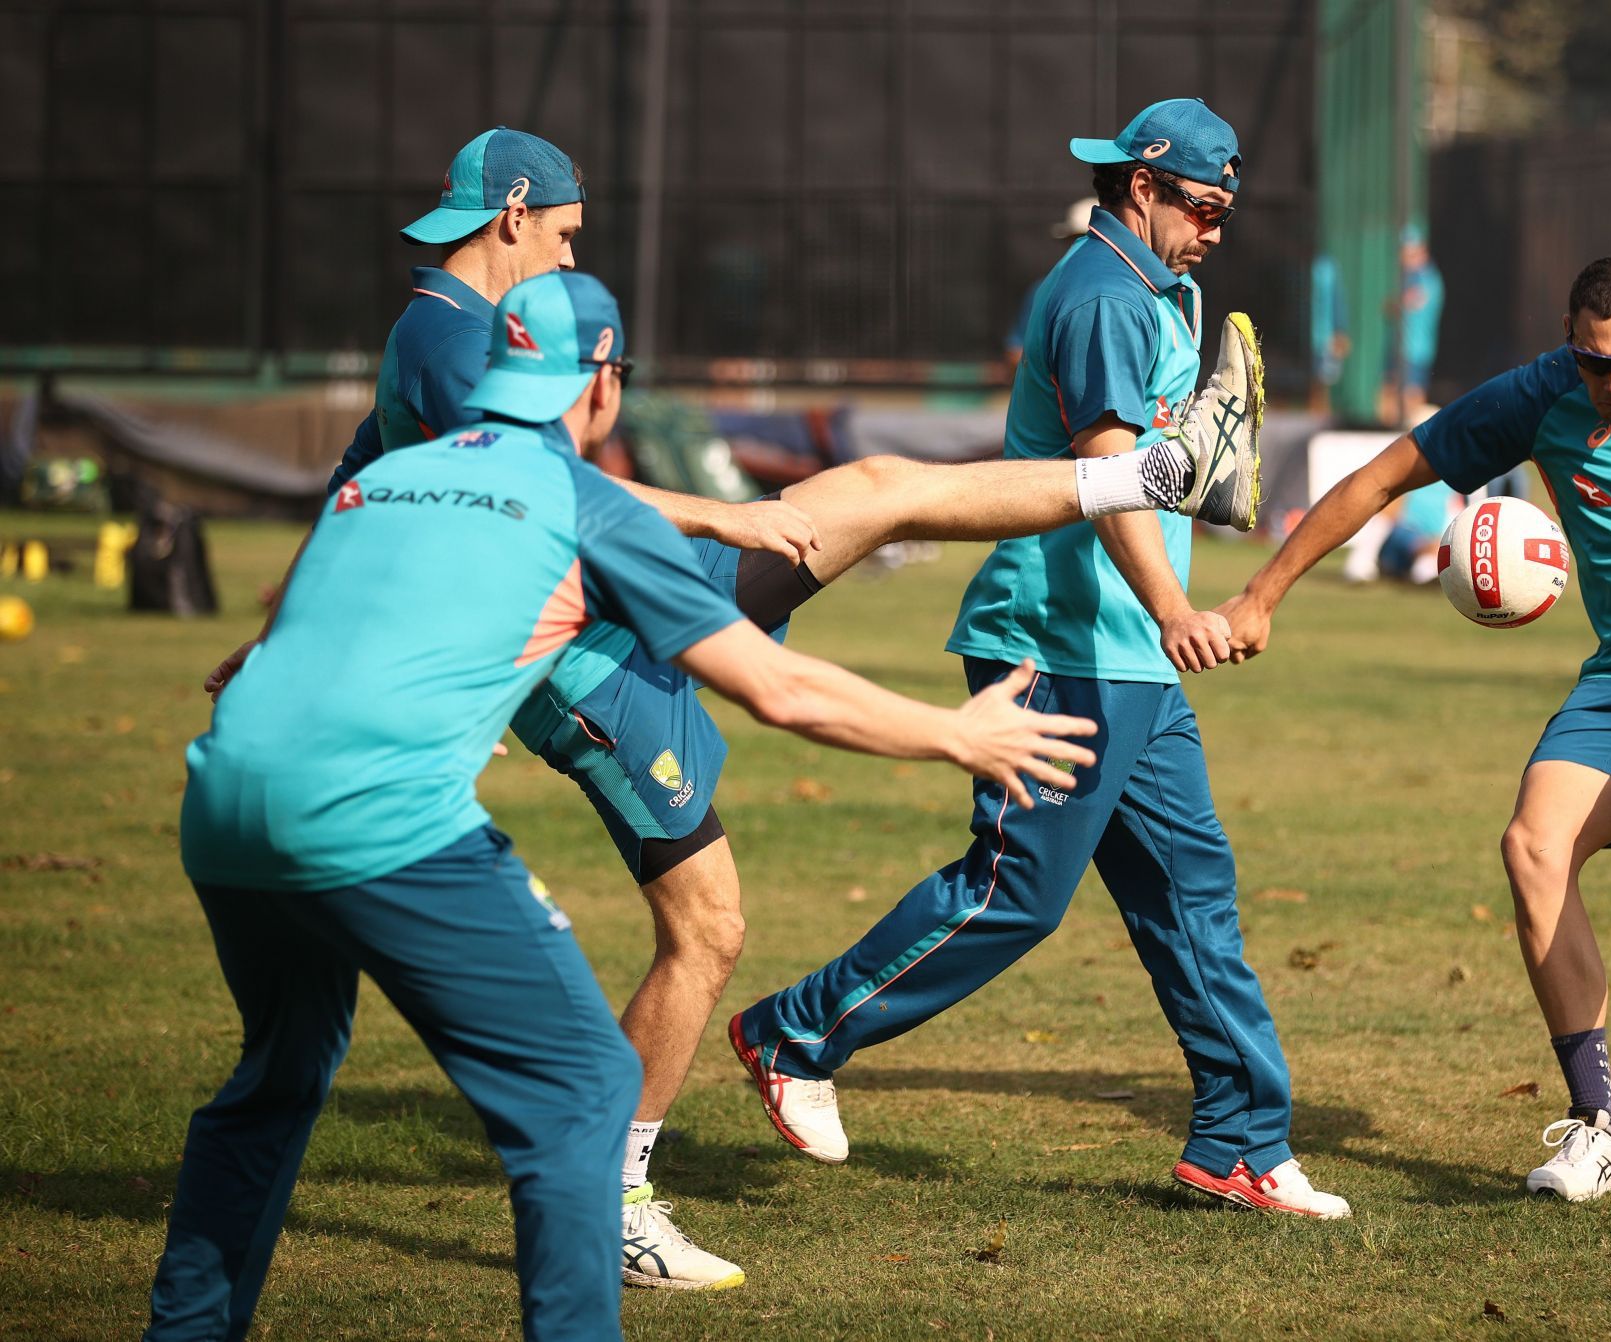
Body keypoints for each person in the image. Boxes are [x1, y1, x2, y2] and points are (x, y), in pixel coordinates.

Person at [204, 126, 1251, 1289]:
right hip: (591, 662)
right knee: (705, 927)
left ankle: (1143, 476)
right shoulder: (459, 346)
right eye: (561, 237)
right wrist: (738, 527)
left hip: (533, 650)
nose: (562, 255)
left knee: (876, 491)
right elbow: (578, 510)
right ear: (514, 222)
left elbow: (371, 478)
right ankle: (620, 1192)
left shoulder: (443, 347)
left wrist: (273, 637)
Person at [148, 271, 1104, 1341]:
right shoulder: (583, 498)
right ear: (601, 384)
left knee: (275, 1084)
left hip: (223, 794)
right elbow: (777, 688)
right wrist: (956, 732)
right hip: (376, 816)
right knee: (584, 1094)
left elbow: (290, 609)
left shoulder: (391, 472)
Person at [730, 97, 1350, 1220]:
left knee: (1190, 894)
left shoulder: (1167, 285)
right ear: (1144, 187)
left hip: (1126, 660)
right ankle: (795, 1032)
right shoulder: (1103, 295)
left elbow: (1157, 472)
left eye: (1226, 212)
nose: (1216, 230)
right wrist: (1174, 606)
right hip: (1064, 640)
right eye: (1202, 207)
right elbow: (1108, 474)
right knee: (1016, 891)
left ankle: (1240, 1144)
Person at [1215, 255, 1611, 1203]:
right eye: (1592, 363)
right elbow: (1381, 478)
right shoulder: (1538, 398)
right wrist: (1263, 592)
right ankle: (1601, 1129)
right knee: (1532, 846)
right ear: (1568, 346)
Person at [1005, 196, 1097, 371]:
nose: (1078, 247)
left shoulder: (1133, 293)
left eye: (1088, 239)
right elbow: (1015, 352)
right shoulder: (1043, 290)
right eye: (1074, 239)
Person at [1379, 224, 1444, 427]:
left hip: (1415, 352)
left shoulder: (1428, 279)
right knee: (1387, 400)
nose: (1403, 257)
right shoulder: (1408, 279)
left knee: (1411, 402)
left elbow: (1404, 304)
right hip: (1399, 350)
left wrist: (1396, 304)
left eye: (1408, 252)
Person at [1309, 251, 1350, 415]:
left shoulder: (1328, 270)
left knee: (1325, 378)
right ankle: (1318, 413)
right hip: (1320, 337)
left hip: (1324, 337)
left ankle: (1323, 413)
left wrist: (1339, 331)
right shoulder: (1322, 270)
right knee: (1321, 379)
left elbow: (1337, 304)